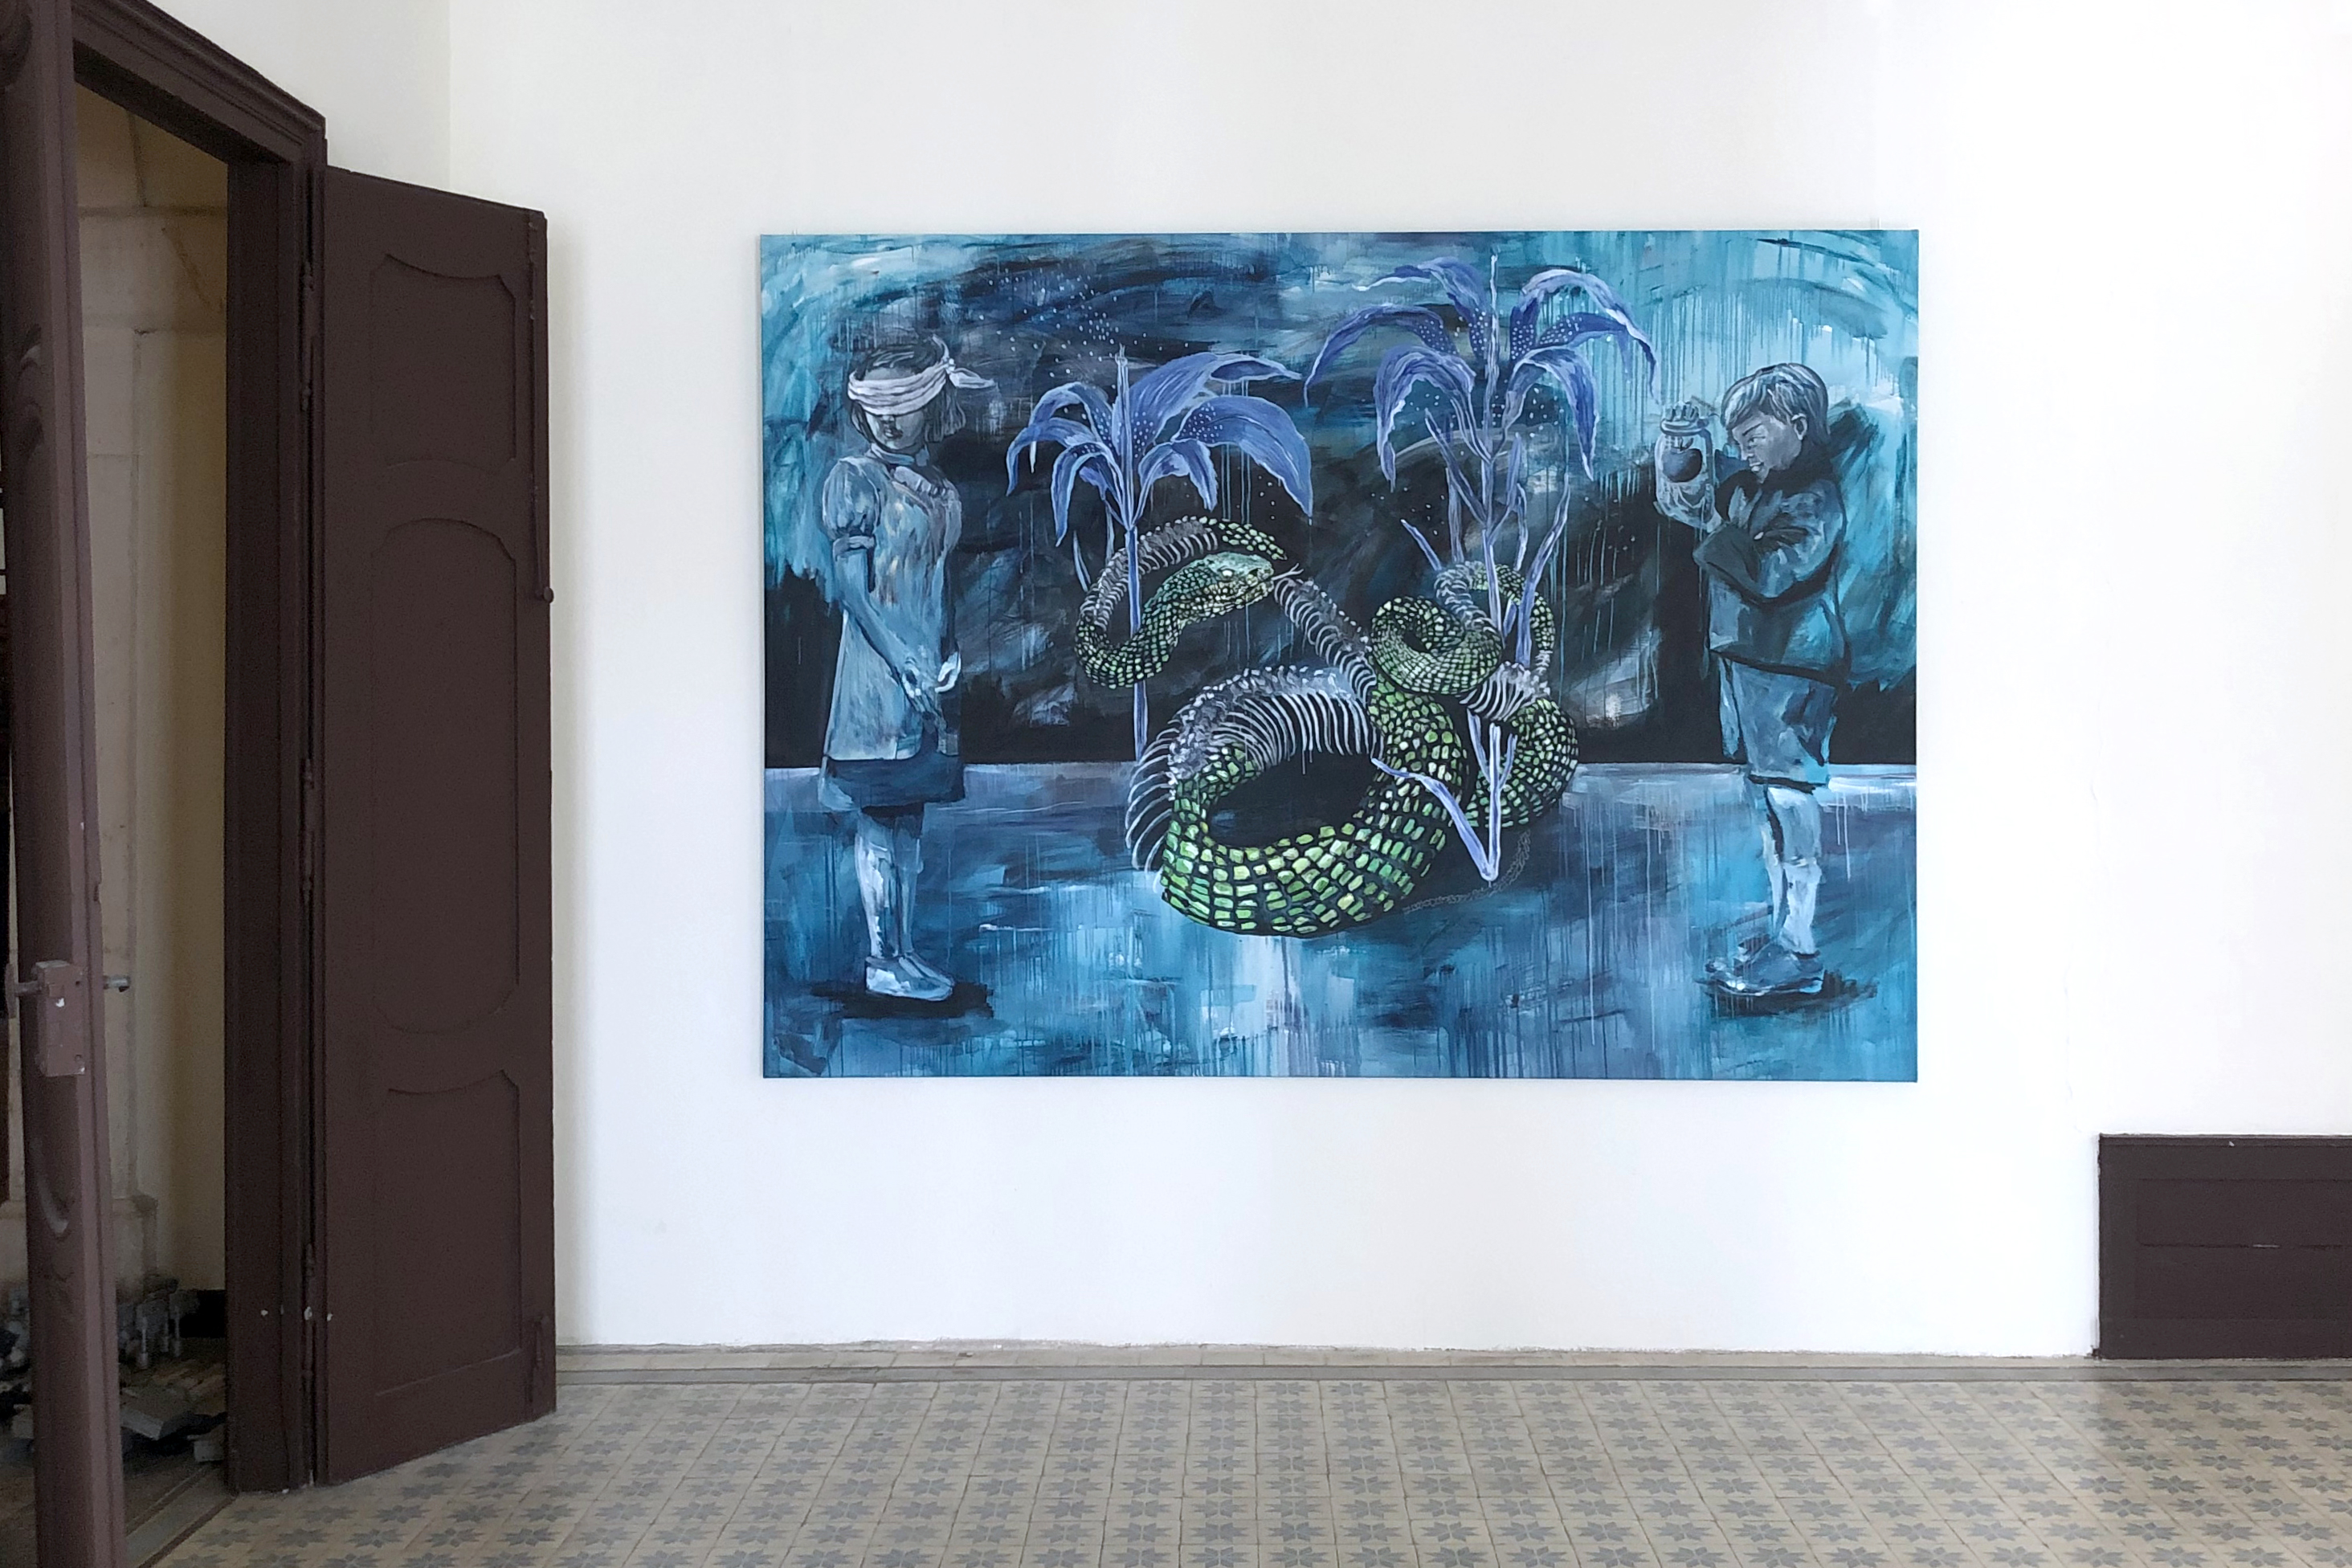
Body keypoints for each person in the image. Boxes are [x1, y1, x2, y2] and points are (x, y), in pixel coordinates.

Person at [1656, 364, 1847, 998]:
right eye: (1736, 439)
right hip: (1751, 665)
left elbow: (1770, 573)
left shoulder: (1815, 499)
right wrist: (1680, 449)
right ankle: (1783, 935)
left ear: (1797, 427)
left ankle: (1799, 948)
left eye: (1753, 435)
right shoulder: (1751, 487)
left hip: (1792, 669)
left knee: (1789, 798)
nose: (1743, 449)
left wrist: (1717, 533)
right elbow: (1686, 501)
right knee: (1766, 799)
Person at [819, 337, 990, 1002]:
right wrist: (902, 663)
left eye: (904, 406)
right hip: (875, 679)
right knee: (877, 817)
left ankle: (903, 951)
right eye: (878, 409)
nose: (890, 422)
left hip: (927, 678)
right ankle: (881, 958)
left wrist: (946, 652)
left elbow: (937, 584)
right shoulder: (854, 480)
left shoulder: (940, 491)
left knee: (909, 820)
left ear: (932, 405)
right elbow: (854, 590)